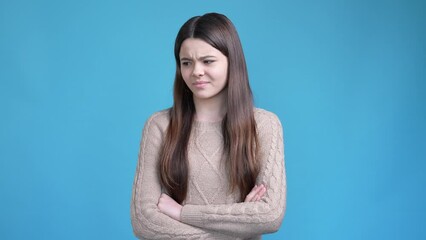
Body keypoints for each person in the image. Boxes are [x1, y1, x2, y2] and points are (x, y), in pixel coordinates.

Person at [131, 12, 286, 239]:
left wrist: (182, 213)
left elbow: (269, 215)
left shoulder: (264, 125)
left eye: (207, 61)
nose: (196, 71)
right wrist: (238, 225)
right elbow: (144, 222)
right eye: (187, 63)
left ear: (232, 62)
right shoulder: (159, 126)